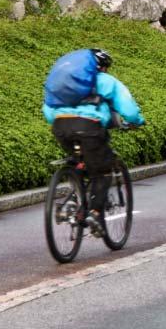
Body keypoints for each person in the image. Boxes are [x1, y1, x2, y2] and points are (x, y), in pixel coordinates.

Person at [42, 48, 145, 237]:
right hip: (89, 128)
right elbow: (127, 107)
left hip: (60, 126)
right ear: (101, 67)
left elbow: (48, 110)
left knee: (79, 162)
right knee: (103, 170)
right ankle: (95, 214)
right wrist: (137, 121)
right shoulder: (105, 81)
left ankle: (74, 197)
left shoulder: (64, 85)